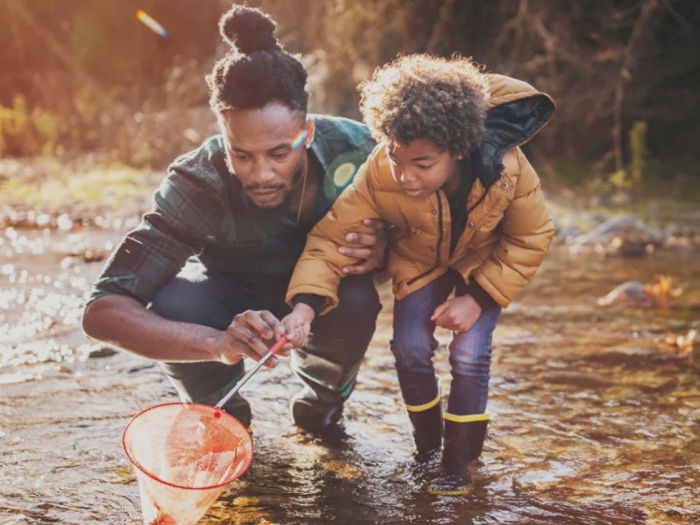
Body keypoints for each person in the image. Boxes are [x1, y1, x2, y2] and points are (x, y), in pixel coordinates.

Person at [82, 5, 385, 434]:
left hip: (328, 298)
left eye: (280, 153)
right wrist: (216, 344)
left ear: (308, 132)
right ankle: (224, 422)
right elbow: (102, 312)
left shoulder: (361, 152)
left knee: (358, 297)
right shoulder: (196, 180)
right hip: (227, 299)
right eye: (241, 154)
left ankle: (322, 408)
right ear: (222, 132)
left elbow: (436, 229)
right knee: (174, 304)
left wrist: (386, 251)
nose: (261, 175)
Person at [282, 54, 555, 494]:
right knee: (408, 347)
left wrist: (479, 299)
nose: (406, 177)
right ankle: (427, 451)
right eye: (396, 159)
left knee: (469, 353)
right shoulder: (379, 173)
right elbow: (331, 239)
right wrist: (305, 307)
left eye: (422, 165)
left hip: (481, 267)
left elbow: (532, 236)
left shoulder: (508, 170)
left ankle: (458, 465)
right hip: (418, 262)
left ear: (459, 149)